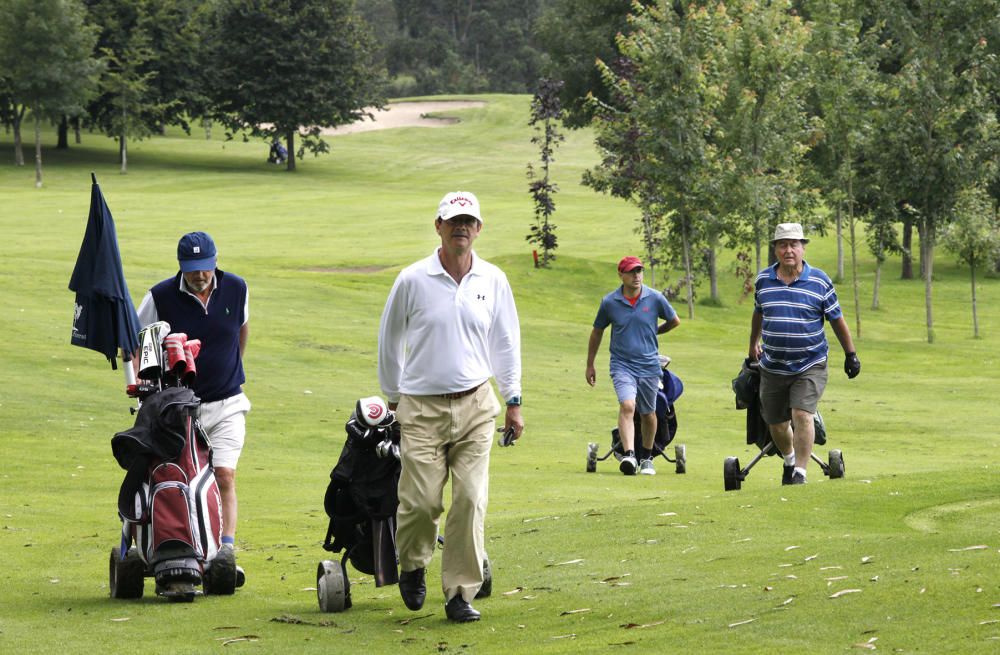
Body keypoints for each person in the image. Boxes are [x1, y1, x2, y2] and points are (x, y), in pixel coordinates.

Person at [378, 191, 523, 623]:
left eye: (469, 221)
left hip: (477, 405)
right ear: (438, 226)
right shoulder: (412, 279)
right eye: (453, 221)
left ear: (479, 229)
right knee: (421, 502)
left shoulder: (493, 280)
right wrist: (392, 398)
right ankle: (413, 564)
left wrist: (513, 400)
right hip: (420, 407)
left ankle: (460, 592)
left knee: (471, 499)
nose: (461, 228)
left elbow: (506, 342)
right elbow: (390, 340)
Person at [136, 231, 250, 578]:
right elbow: (139, 342)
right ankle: (184, 544)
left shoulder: (237, 288)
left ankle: (224, 553)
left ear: (215, 261)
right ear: (181, 266)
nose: (199, 275)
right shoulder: (159, 296)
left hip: (228, 402)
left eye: (204, 268)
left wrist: (232, 367)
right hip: (180, 410)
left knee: (224, 475)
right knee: (182, 478)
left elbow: (242, 329)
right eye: (191, 269)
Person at [748, 223, 860, 485]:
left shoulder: (819, 280)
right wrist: (753, 343)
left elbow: (836, 319)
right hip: (773, 365)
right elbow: (758, 314)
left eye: (794, 245)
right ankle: (789, 461)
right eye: (783, 245)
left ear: (803, 248)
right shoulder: (764, 280)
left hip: (810, 363)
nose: (789, 250)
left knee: (801, 414)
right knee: (776, 423)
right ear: (775, 249)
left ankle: (800, 471)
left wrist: (850, 354)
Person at [586, 256, 680, 476]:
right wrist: (590, 364)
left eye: (639, 271)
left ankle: (647, 457)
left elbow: (674, 320)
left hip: (648, 365)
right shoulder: (610, 302)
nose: (636, 275)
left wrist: (655, 331)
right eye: (631, 272)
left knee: (648, 412)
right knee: (628, 405)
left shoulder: (655, 298)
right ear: (621, 275)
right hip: (622, 365)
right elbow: (597, 331)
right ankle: (629, 455)